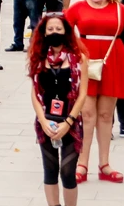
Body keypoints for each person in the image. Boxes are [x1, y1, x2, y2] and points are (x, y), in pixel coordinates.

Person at [63, 0, 124, 185]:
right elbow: (61, 30)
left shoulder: (120, 9)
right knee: (87, 115)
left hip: (113, 61)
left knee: (105, 116)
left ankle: (104, 163)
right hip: (86, 62)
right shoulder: (78, 8)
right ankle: (82, 163)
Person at [29, 11, 87, 206]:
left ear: (66, 31)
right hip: (46, 120)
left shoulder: (78, 60)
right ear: (44, 33)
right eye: (50, 29)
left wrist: (69, 122)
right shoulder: (39, 59)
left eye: (58, 29)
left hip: (70, 120)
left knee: (68, 170)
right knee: (50, 169)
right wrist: (43, 121)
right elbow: (35, 94)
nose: (54, 32)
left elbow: (82, 94)